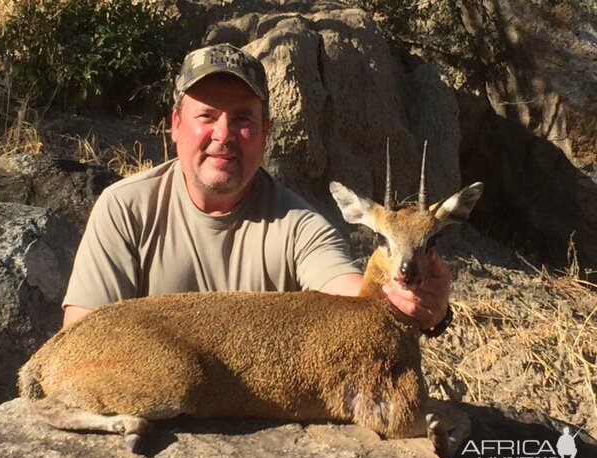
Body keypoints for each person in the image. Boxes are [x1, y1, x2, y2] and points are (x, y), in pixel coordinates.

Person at [62, 43, 452, 334]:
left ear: (265, 131)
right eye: (207, 116)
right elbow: (80, 337)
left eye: (243, 118)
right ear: (176, 124)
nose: (224, 134)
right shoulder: (125, 208)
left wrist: (420, 304)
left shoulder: (299, 226)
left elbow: (350, 297)